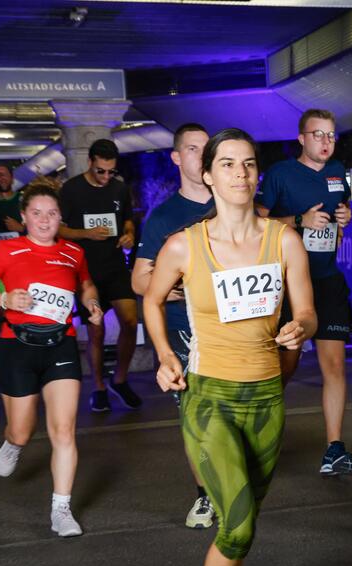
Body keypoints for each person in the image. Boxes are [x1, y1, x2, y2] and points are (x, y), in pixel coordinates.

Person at [143, 128, 315, 566]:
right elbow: (152, 301)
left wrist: (299, 327)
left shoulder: (283, 240)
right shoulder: (184, 245)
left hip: (267, 396)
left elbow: (306, 309)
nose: (240, 173)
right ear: (208, 174)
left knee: (240, 526)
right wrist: (164, 355)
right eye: (228, 164)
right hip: (209, 397)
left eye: (248, 164)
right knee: (237, 524)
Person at [0, 178, 102, 538]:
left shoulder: (73, 253)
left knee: (63, 430)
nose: (45, 220)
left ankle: (61, 509)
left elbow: (86, 284)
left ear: (61, 217)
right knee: (23, 430)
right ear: (24, 217)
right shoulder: (8, 252)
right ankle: (12, 444)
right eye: (37, 214)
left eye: (52, 213)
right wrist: (4, 299)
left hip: (61, 345)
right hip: (17, 347)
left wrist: (91, 302)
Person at [256, 108, 352, 477]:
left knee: (334, 364)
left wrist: (346, 217)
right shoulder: (281, 173)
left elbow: (342, 213)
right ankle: (261, 431)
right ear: (302, 138)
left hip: (327, 279)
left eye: (331, 135)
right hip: (287, 284)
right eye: (318, 135)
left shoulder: (338, 172)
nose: (326, 142)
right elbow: (258, 221)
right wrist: (298, 221)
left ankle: (334, 447)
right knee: (288, 363)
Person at [132, 123, 216, 530]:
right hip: (185, 332)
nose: (202, 155)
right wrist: (168, 288)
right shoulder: (163, 217)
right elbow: (139, 280)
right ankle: (205, 497)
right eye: (193, 149)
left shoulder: (233, 206)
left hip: (234, 330)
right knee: (194, 418)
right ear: (178, 158)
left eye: (207, 148)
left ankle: (233, 479)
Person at [59, 138, 141, 412]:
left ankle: (119, 379)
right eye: (101, 171)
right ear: (90, 162)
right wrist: (85, 234)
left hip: (116, 267)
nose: (106, 177)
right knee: (96, 330)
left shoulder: (119, 188)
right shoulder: (71, 190)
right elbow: (58, 229)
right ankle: (98, 387)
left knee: (130, 321)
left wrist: (128, 233)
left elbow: (127, 218)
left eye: (111, 171)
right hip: (86, 273)